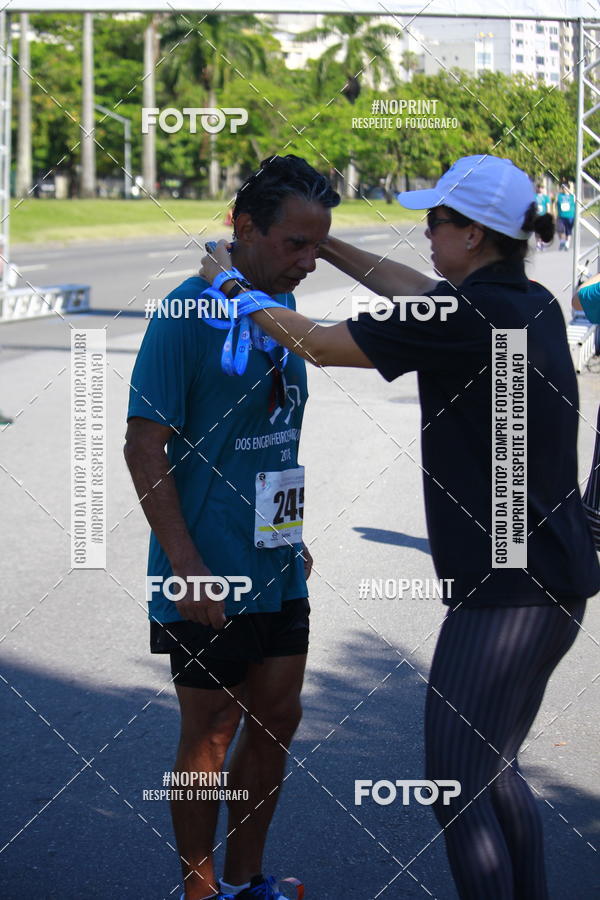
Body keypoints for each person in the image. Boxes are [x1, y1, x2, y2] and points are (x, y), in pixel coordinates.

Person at [201, 155, 600, 900]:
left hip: (506, 592)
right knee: (493, 771)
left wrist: (232, 285)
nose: (426, 232)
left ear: (473, 234)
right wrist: (329, 245)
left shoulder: (466, 318)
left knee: (458, 785)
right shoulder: (526, 302)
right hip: (551, 578)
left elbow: (318, 342)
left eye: (436, 221)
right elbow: (413, 291)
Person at [124, 155, 339, 900]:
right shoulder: (185, 315)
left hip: (275, 562)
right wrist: (185, 564)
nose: (309, 262)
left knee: (277, 718)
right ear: (244, 227)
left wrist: (288, 532)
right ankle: (200, 889)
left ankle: (249, 882)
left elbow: (275, 439)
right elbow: (143, 445)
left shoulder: (278, 311)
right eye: (296, 244)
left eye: (319, 246)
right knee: (212, 728)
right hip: (206, 567)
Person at [556, 181, 576, 250]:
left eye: (566, 188)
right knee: (560, 229)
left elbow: (573, 194)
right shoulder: (559, 196)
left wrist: (570, 186)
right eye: (563, 188)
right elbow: (556, 203)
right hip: (561, 216)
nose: (564, 189)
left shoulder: (572, 196)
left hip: (570, 216)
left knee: (568, 230)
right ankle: (562, 241)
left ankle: (567, 243)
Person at [534, 183, 552, 250]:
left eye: (541, 188)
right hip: (536, 216)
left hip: (543, 215)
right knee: (537, 231)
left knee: (543, 230)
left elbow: (548, 206)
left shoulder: (546, 197)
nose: (540, 189)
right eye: (539, 187)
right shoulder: (534, 196)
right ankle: (538, 243)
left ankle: (542, 243)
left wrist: (548, 214)